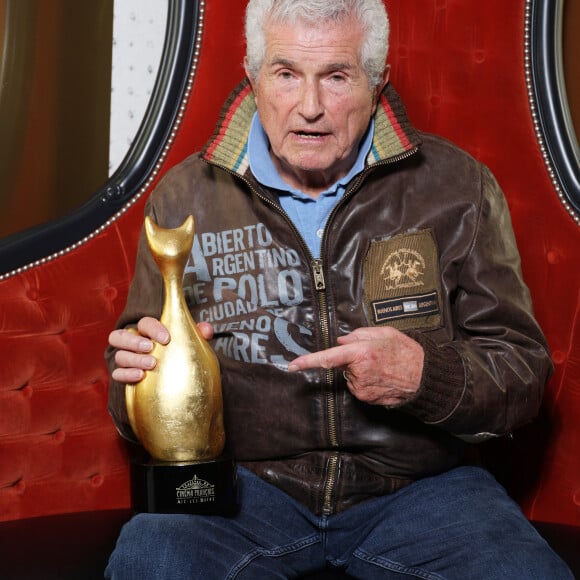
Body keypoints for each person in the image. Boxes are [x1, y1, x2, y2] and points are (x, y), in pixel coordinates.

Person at [104, 0, 573, 578]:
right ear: (252, 76)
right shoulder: (183, 200)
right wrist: (136, 382)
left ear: (378, 82)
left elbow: (522, 374)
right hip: (243, 489)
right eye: (285, 74)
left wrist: (425, 375)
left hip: (420, 490)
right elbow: (129, 381)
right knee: (152, 560)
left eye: (336, 76)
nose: (310, 108)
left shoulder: (458, 188)